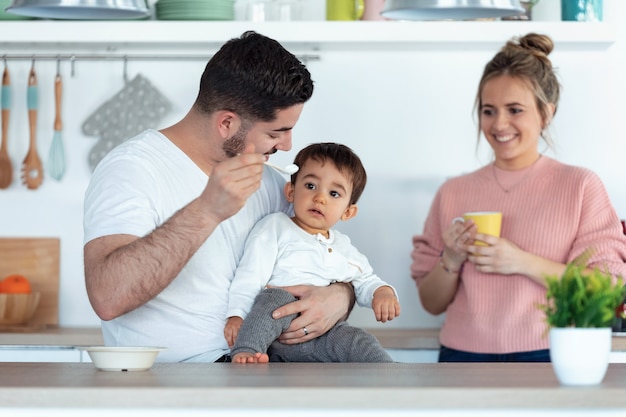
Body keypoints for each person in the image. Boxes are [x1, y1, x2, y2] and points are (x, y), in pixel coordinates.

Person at [83, 31, 355, 363]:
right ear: (227, 123)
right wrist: (207, 211)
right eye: (275, 132)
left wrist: (340, 296)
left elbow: (324, 257)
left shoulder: (270, 183)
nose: (286, 145)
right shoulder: (133, 169)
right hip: (171, 390)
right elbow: (107, 298)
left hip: (257, 377)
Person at [410, 33, 626, 363]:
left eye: (515, 110)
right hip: (462, 356)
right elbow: (431, 302)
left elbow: (607, 285)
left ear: (546, 113)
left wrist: (522, 262)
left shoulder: (580, 186)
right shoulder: (452, 192)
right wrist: (451, 260)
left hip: (552, 354)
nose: (499, 124)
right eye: (488, 110)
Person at [224, 143, 400, 363]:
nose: (320, 198)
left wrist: (383, 293)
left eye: (334, 193)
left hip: (323, 333)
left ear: (348, 212)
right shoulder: (276, 226)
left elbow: (365, 279)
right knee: (274, 299)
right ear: (290, 191)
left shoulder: (344, 247)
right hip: (276, 329)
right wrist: (237, 315)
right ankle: (248, 352)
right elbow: (251, 273)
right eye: (310, 185)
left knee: (357, 338)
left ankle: (387, 371)